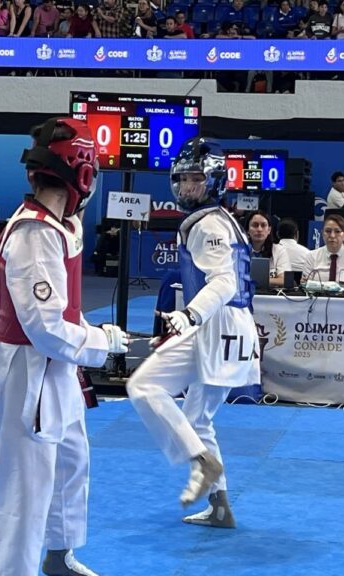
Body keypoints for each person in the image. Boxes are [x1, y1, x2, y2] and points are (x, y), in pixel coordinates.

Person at [0, 118, 129, 576]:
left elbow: (58, 313)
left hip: (56, 368)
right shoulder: (34, 235)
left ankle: (59, 556)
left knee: (72, 461)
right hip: (28, 371)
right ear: (83, 174)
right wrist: (103, 341)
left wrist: (88, 337)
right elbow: (46, 327)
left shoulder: (60, 224)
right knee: (25, 486)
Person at [126, 137, 259, 530]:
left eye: (196, 180)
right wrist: (183, 329)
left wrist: (189, 315)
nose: (186, 188)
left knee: (155, 393)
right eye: (182, 180)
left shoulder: (208, 224)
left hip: (219, 324)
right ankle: (219, 504)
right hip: (223, 326)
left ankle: (202, 464)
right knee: (191, 415)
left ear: (214, 180)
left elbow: (224, 283)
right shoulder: (219, 218)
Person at [302, 213, 344, 282]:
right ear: (322, 233)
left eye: (337, 231)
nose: (332, 235)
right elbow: (305, 285)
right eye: (328, 231)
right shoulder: (312, 256)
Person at [245, 210, 291, 288]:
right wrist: (273, 280)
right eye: (255, 225)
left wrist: (251, 280)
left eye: (263, 225)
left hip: (271, 297)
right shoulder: (239, 251)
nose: (259, 229)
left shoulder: (279, 250)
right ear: (247, 230)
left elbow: (286, 280)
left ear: (269, 230)